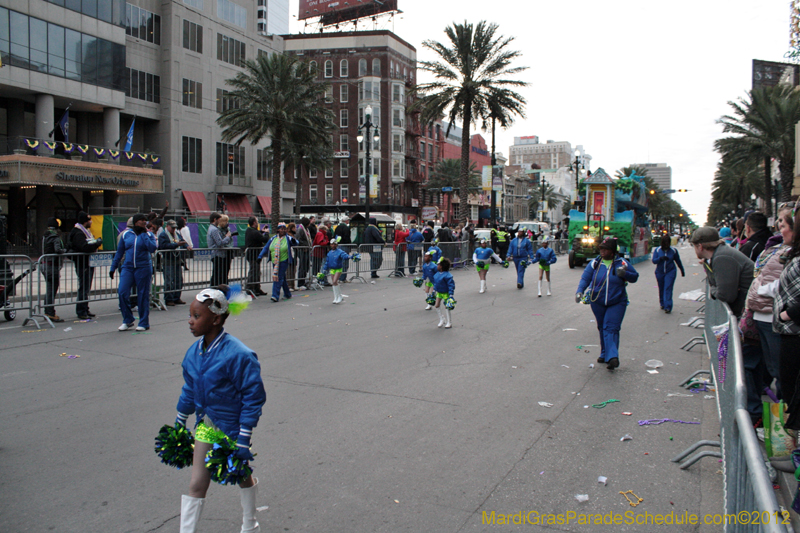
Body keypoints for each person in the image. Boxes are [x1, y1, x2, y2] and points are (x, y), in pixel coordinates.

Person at [175, 288, 267, 533]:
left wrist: (244, 437)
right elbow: (190, 387)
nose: (190, 321)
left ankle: (250, 523)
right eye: (190, 315)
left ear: (215, 319)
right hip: (206, 425)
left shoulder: (239, 355)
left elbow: (253, 396)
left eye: (196, 316)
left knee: (241, 474)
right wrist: (181, 419)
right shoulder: (193, 353)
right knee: (197, 483)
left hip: (232, 428)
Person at [691, 226, 761, 423]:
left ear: (700, 246)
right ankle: (753, 412)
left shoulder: (722, 257)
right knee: (749, 365)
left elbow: (724, 294)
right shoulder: (719, 256)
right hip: (748, 316)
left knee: (745, 365)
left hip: (750, 319)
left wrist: (714, 291)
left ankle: (753, 414)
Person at [746, 207, 793, 399]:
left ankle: (786, 410)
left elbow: (785, 284)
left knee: (782, 372)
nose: (780, 227)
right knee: (774, 368)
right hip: (764, 315)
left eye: (784, 223)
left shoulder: (790, 253)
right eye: (779, 221)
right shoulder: (777, 248)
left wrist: (760, 289)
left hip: (776, 317)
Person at [575, 237, 640, 370]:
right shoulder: (595, 263)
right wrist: (580, 291)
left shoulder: (622, 263)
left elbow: (635, 277)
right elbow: (585, 278)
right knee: (602, 327)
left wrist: (625, 273)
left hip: (617, 302)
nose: (602, 251)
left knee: (611, 327)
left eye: (605, 249)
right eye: (601, 249)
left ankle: (612, 357)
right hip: (597, 301)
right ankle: (604, 353)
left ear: (612, 251)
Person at [774, 210, 800, 429]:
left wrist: (788, 313)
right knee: (789, 389)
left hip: (795, 332)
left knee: (793, 393)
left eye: (783, 225)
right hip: (789, 333)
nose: (780, 231)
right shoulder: (793, 255)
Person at [110, 213, 158, 331]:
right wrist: (113, 267)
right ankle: (127, 319)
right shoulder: (126, 235)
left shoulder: (149, 235)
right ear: (136, 222)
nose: (144, 222)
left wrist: (144, 235)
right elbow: (119, 252)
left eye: (145, 220)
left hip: (143, 267)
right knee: (122, 292)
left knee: (143, 295)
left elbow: (152, 248)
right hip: (128, 267)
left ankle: (144, 322)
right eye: (142, 220)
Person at [68, 211, 103, 319]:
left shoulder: (84, 231)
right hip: (83, 263)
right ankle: (81, 311)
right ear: (85, 221)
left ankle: (85, 308)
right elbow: (84, 247)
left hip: (87, 263)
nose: (91, 222)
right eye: (89, 220)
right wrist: (96, 244)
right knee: (83, 288)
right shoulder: (78, 233)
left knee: (86, 288)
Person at [258, 222, 297, 302]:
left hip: (284, 260)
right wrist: (260, 256)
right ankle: (287, 293)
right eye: (281, 229)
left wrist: (294, 241)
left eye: (284, 229)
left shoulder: (288, 238)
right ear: (278, 230)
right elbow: (266, 247)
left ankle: (275, 295)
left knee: (278, 277)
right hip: (275, 261)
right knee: (282, 278)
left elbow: (296, 243)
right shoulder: (273, 238)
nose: (282, 230)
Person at [158, 220, 191, 306]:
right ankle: (168, 299)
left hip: (177, 259)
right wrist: (176, 245)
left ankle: (176, 297)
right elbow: (163, 246)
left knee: (179, 280)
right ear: (167, 226)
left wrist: (187, 246)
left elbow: (182, 241)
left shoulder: (177, 234)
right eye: (172, 228)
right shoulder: (163, 235)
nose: (173, 229)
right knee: (169, 280)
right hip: (168, 260)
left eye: (175, 228)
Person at [651, 234, 685, 313]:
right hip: (660, 272)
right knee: (661, 288)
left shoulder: (673, 250)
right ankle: (662, 303)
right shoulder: (657, 250)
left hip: (670, 271)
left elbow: (678, 261)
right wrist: (660, 258)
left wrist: (682, 270)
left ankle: (668, 306)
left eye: (667, 243)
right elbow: (654, 261)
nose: (666, 245)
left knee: (668, 288)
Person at [41, 217, 66, 322]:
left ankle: (47, 311)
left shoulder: (45, 236)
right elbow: (57, 250)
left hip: (45, 264)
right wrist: (65, 251)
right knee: (52, 290)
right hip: (52, 265)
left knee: (49, 289)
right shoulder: (55, 237)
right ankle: (50, 313)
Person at [321, 237, 352, 304]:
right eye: (332, 244)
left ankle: (339, 296)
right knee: (334, 283)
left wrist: (350, 257)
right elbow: (327, 262)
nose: (333, 245)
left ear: (336, 244)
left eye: (334, 244)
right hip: (332, 269)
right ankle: (336, 296)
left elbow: (344, 255)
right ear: (330, 245)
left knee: (334, 281)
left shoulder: (339, 251)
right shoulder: (329, 253)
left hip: (338, 268)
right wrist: (324, 269)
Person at [245, 217, 269, 296]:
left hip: (253, 255)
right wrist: (266, 233)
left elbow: (257, 235)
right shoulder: (254, 232)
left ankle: (256, 288)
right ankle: (250, 288)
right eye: (257, 221)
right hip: (254, 255)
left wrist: (262, 231)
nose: (258, 223)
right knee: (254, 272)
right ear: (254, 223)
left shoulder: (249, 230)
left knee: (256, 272)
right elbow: (264, 239)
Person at [208, 213, 232, 287]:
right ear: (215, 219)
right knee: (218, 274)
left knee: (217, 274)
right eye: (218, 219)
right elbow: (219, 243)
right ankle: (216, 288)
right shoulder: (214, 229)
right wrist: (227, 237)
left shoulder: (211, 228)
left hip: (216, 253)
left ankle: (215, 287)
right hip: (218, 254)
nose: (219, 221)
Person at [432, 257, 455, 329]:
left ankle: (449, 322)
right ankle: (441, 319)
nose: (437, 266)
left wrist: (451, 295)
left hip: (446, 293)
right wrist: (434, 291)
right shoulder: (437, 274)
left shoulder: (447, 275)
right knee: (436, 305)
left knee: (447, 307)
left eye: (438, 265)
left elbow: (451, 285)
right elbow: (435, 284)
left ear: (441, 266)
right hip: (439, 292)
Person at [295, 218, 312, 289]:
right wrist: (304, 246)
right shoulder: (300, 230)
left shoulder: (306, 229)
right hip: (302, 250)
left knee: (306, 266)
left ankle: (304, 280)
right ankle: (300, 283)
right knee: (302, 266)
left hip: (307, 249)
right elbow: (298, 240)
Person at [334, 216, 351, 282]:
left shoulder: (337, 227)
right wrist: (349, 245)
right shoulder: (346, 228)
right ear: (346, 221)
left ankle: (337, 277)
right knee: (345, 262)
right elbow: (347, 238)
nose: (348, 221)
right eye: (348, 220)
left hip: (338, 246)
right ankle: (343, 278)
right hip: (345, 246)